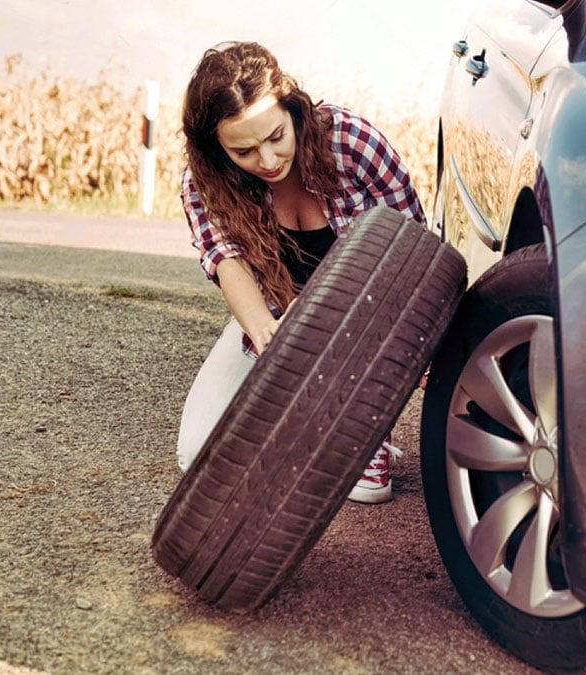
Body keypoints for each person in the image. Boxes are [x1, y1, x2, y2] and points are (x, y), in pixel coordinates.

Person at [174, 41, 425, 504]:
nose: (267, 161)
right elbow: (225, 258)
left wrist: (417, 345)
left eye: (275, 137)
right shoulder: (202, 181)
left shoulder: (351, 142)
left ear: (292, 110)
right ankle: (321, 423)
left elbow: (413, 248)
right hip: (280, 317)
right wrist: (267, 332)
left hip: (371, 319)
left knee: (368, 490)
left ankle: (359, 424)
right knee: (198, 456)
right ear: (217, 148)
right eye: (244, 150)